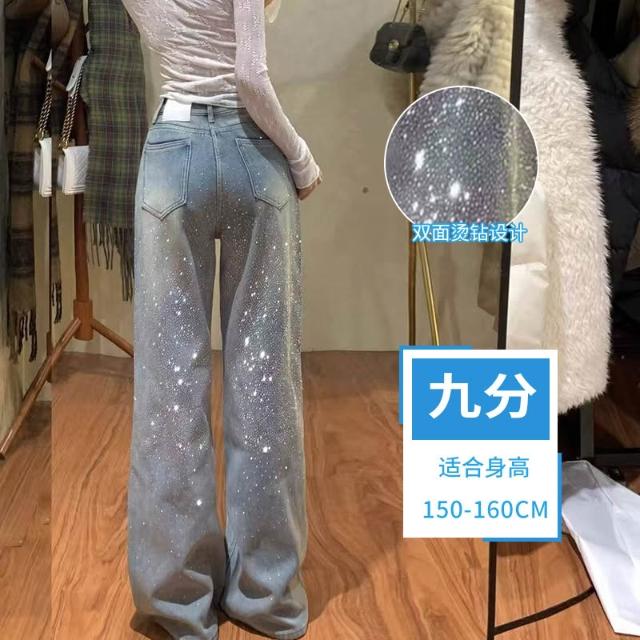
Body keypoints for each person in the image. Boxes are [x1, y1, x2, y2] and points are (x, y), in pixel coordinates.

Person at [122, 0, 321, 637]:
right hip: (253, 156)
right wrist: (302, 159)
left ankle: (178, 604)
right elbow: (250, 78)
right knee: (265, 387)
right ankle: (266, 597)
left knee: (169, 389)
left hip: (170, 156)